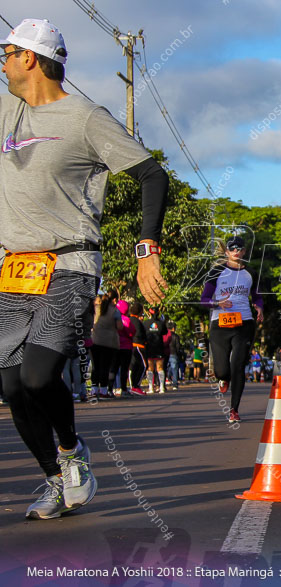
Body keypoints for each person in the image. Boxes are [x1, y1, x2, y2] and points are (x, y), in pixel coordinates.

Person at [0, 19, 168, 520]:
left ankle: (74, 455)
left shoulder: (85, 118)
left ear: (29, 58)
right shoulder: (8, 110)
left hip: (70, 262)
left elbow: (151, 174)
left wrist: (147, 250)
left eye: (6, 53)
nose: (2, 63)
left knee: (36, 376)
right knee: (8, 385)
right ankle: (54, 478)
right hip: (13, 267)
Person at [200, 236, 264, 423]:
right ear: (227, 252)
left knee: (238, 365)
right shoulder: (217, 272)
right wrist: (217, 303)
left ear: (244, 252)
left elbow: (257, 296)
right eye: (232, 248)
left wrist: (259, 307)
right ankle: (223, 378)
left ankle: (234, 409)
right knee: (222, 370)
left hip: (244, 323)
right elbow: (204, 299)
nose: (236, 251)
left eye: (239, 248)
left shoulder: (250, 273)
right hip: (219, 324)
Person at [90, 295, 123, 399]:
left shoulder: (94, 309)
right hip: (109, 342)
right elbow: (120, 326)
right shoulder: (115, 311)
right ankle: (104, 390)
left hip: (94, 341)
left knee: (95, 366)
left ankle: (94, 390)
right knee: (105, 367)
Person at [143, 306, 168, 393]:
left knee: (150, 368)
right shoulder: (161, 323)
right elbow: (165, 332)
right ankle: (162, 387)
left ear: (149, 313)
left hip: (149, 348)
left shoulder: (145, 323)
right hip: (159, 347)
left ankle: (150, 388)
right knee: (160, 368)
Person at [164, 321, 181, 390]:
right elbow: (178, 346)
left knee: (164, 368)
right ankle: (175, 384)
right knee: (174, 369)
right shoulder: (176, 336)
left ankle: (163, 383)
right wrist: (177, 352)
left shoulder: (165, 335)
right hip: (173, 353)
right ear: (173, 328)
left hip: (166, 353)